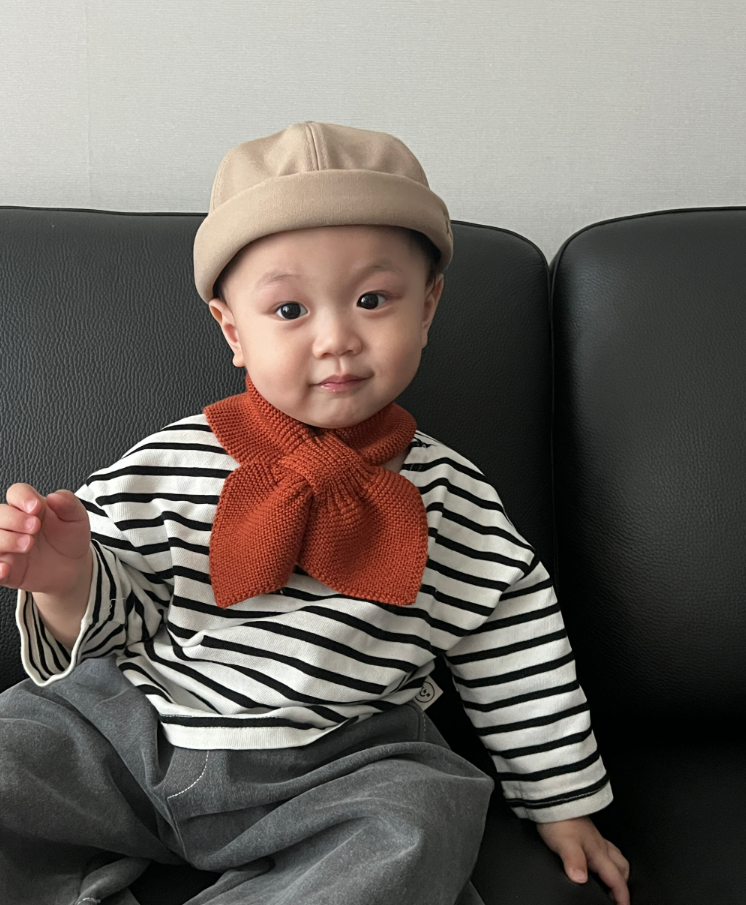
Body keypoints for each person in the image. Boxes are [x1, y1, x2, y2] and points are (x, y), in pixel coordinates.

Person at [0, 122, 630, 905]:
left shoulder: (451, 494)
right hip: (142, 734)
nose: (336, 338)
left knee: (422, 819)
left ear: (428, 307)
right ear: (234, 330)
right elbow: (115, 621)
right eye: (290, 308)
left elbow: (517, 646)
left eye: (372, 299)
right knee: (18, 744)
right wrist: (64, 580)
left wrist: (563, 803)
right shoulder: (171, 459)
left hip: (339, 766)